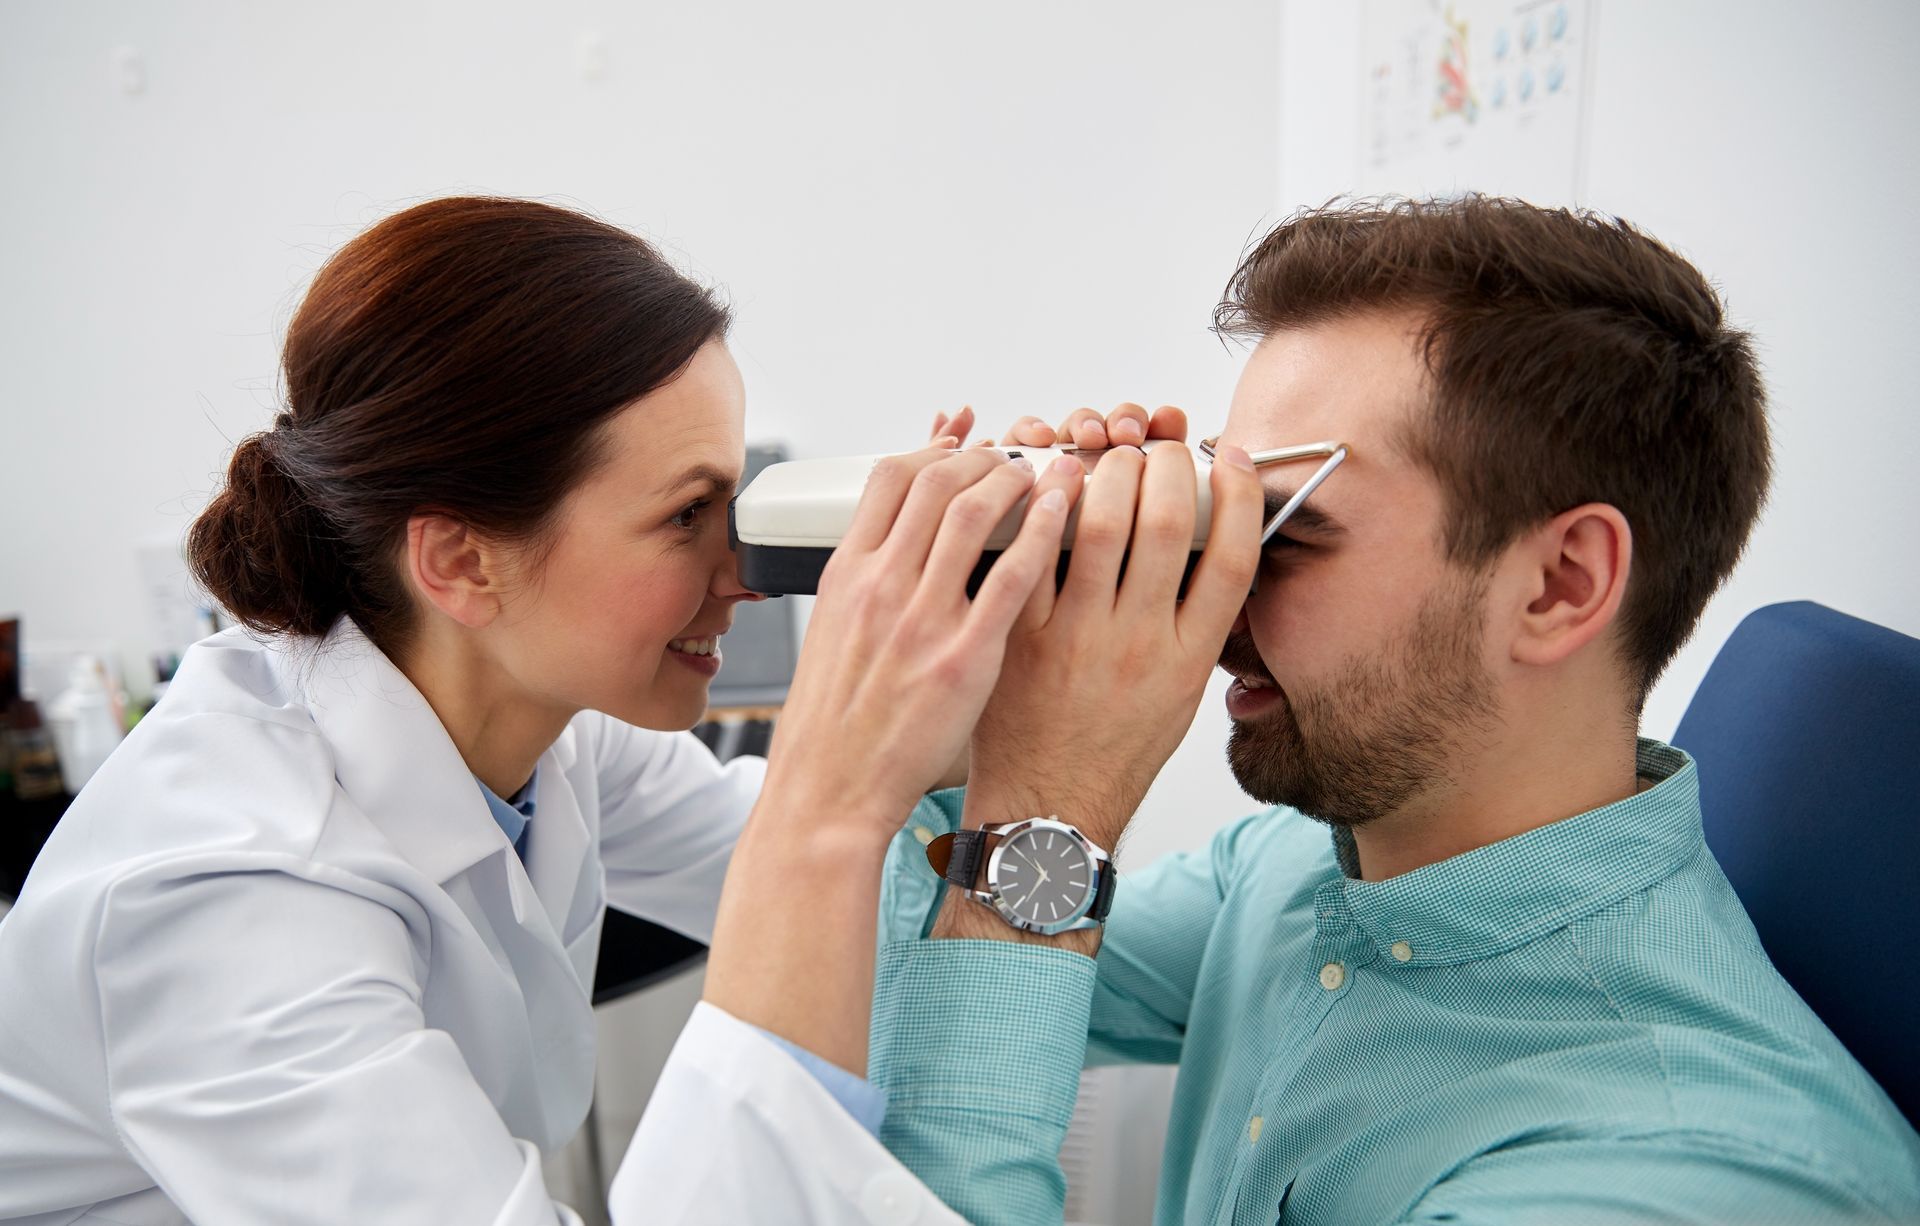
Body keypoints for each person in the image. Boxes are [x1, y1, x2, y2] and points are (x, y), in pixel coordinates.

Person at [0, 196, 1241, 1224]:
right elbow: (815, 854)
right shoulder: (228, 899)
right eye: (684, 513)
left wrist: (1032, 644)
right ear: (461, 562)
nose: (745, 571)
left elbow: (874, 898)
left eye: (737, 498)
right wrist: (838, 779)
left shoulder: (547, 726)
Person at [850, 198, 1920, 1223]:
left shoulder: (1685, 1173)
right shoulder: (1297, 869)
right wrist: (979, 673)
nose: (1210, 594)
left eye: (1279, 536)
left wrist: (1053, 814)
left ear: (1559, 584)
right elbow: (903, 953)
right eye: (1215, 525)